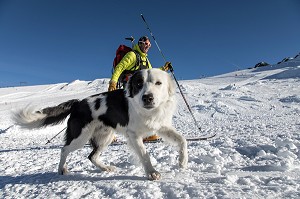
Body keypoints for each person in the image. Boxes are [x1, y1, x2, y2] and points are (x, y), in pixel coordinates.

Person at [108, 36, 172, 142]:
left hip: (139, 90)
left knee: (143, 110)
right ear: (140, 43)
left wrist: (163, 69)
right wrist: (113, 82)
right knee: (120, 110)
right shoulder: (132, 55)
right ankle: (109, 134)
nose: (148, 46)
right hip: (128, 87)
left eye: (149, 45)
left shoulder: (145, 59)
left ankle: (145, 135)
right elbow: (120, 67)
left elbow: (152, 72)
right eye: (146, 44)